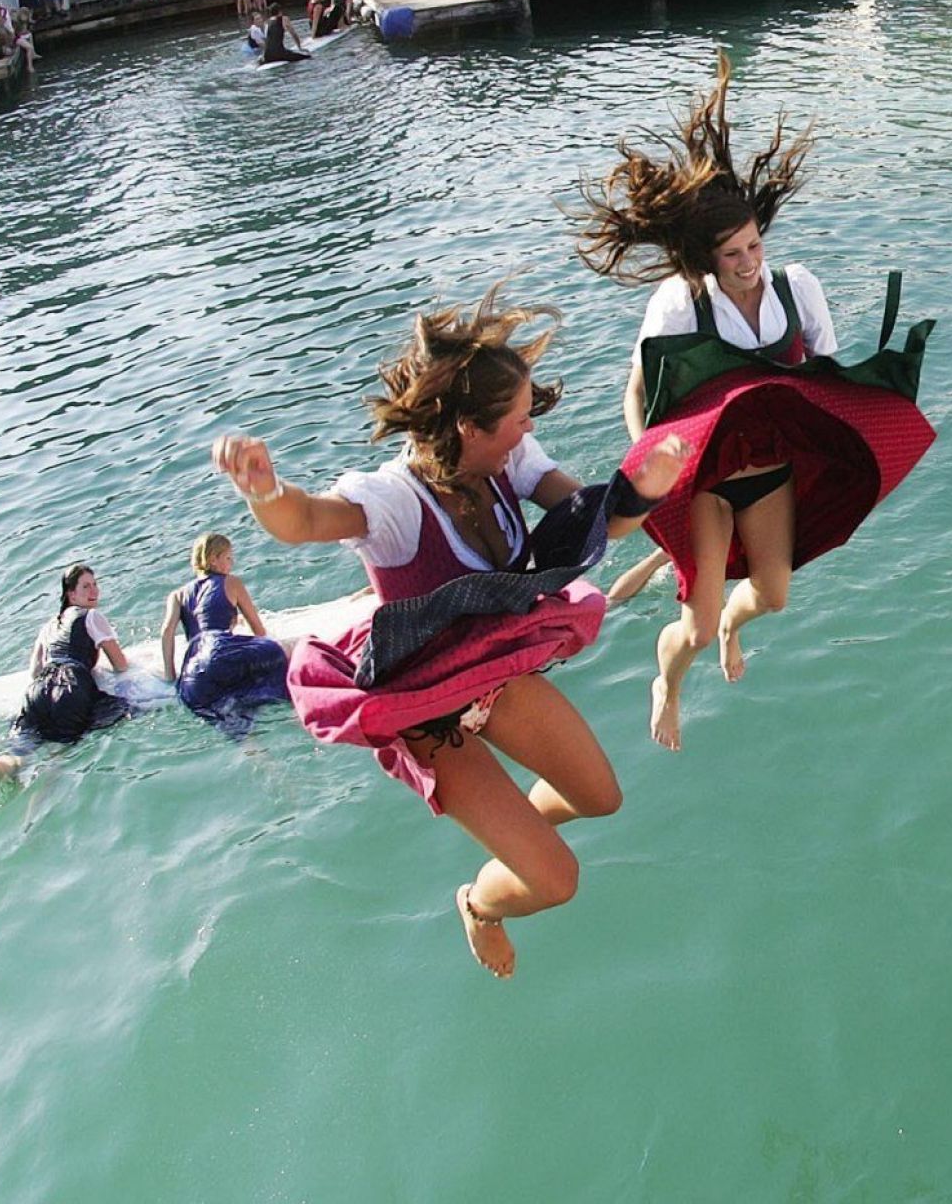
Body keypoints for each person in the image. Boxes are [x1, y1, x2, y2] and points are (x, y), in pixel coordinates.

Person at [210, 291, 689, 978]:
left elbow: (594, 520)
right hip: (432, 713)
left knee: (599, 798)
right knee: (557, 881)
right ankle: (479, 906)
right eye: (519, 421)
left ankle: (512, 833)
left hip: (493, 674)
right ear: (469, 427)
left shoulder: (509, 463)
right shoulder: (396, 503)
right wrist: (265, 491)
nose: (529, 431)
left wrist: (642, 490)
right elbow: (308, 521)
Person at [576, 56, 936, 752]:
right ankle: (669, 684)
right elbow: (639, 395)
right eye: (733, 254)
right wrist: (651, 480)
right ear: (705, 260)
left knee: (772, 597)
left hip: (771, 471)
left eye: (754, 246)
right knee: (696, 623)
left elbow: (829, 379)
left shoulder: (797, 288)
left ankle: (735, 631)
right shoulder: (680, 304)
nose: (749, 262)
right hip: (706, 478)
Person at [0, 564, 135, 807]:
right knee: (58, 756)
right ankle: (34, 811)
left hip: (37, 691)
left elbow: (34, 671)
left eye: (95, 584)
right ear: (71, 595)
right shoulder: (92, 617)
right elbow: (120, 664)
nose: (94, 591)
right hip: (71, 687)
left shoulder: (49, 625)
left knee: (22, 753)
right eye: (86, 586)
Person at [161, 533, 290, 734]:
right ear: (214, 559)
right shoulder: (232, 582)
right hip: (220, 650)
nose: (232, 562)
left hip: (193, 669)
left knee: (235, 730)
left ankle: (257, 755)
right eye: (228, 557)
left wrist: (170, 676)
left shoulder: (177, 595)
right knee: (281, 651)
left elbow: (167, 632)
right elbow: (258, 630)